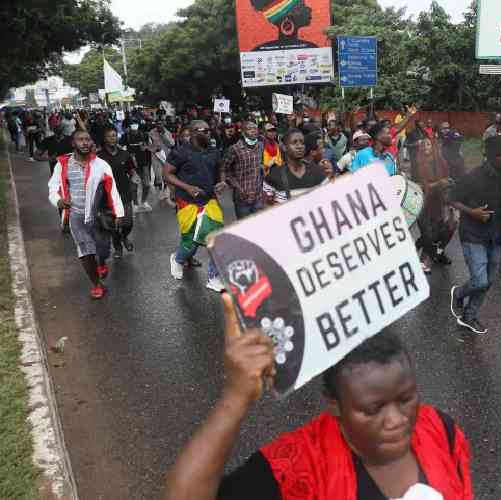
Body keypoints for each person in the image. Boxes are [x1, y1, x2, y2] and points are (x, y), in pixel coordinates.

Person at [163, 293, 473, 500]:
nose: (396, 420)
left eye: (405, 399)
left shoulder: (440, 430)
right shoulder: (299, 466)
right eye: (371, 409)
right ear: (334, 404)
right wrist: (235, 398)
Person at [449, 135, 501, 335]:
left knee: (488, 281)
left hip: (495, 235)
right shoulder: (472, 177)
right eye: (499, 155)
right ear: (487, 155)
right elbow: (452, 199)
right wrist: (472, 212)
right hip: (472, 234)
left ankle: (468, 315)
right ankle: (460, 297)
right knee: (480, 281)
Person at [48, 130, 125, 299]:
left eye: (87, 140)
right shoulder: (63, 164)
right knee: (85, 251)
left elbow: (112, 189)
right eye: (80, 140)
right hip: (76, 216)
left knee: (103, 250)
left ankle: (102, 262)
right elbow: (53, 187)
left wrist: (119, 213)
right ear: (73, 144)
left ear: (91, 143)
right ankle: (97, 284)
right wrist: (59, 201)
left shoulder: (101, 164)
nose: (84, 143)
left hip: (98, 216)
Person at [165, 120, 227, 292]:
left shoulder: (214, 151)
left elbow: (221, 167)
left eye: (209, 131)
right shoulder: (180, 152)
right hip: (187, 203)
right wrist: (187, 188)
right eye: (204, 131)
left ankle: (213, 277)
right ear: (192, 132)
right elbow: (167, 174)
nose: (208, 134)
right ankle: (177, 259)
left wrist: (222, 181)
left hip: (210, 201)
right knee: (191, 243)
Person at [413, 137, 454, 273]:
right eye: (423, 145)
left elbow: (447, 180)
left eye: (428, 144)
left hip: (439, 201)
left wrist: (447, 187)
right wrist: (437, 184)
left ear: (433, 146)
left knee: (446, 228)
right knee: (428, 235)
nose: (426, 147)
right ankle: (420, 261)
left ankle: (439, 252)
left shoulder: (441, 162)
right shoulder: (416, 163)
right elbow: (416, 185)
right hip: (422, 202)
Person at [263, 129, 333, 204]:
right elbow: (267, 206)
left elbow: (327, 199)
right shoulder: (273, 176)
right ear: (284, 147)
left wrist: (330, 177)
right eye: (294, 142)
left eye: (302, 143)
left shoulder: (317, 171)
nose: (299, 146)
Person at [97, 128, 136, 258]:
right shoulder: (99, 157)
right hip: (108, 196)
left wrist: (132, 183)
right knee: (113, 224)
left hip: (124, 193)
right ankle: (117, 247)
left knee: (128, 222)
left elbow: (131, 171)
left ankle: (125, 237)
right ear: (105, 139)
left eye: (114, 136)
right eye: (109, 136)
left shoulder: (125, 154)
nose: (112, 138)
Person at [223, 121, 265, 220]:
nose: (254, 131)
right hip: (242, 198)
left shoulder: (260, 146)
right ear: (243, 132)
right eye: (250, 129)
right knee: (244, 227)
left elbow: (261, 164)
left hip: (258, 195)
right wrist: (238, 188)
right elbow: (225, 169)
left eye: (255, 128)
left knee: (259, 225)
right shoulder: (234, 149)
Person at [122, 120, 153, 212]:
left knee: (147, 184)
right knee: (133, 185)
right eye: (132, 125)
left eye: (135, 125)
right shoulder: (125, 136)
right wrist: (127, 154)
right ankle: (135, 204)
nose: (134, 127)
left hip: (144, 163)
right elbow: (119, 146)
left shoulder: (144, 135)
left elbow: (150, 146)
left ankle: (144, 201)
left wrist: (146, 147)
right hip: (132, 164)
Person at [149, 121, 176, 203]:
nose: (159, 126)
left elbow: (171, 144)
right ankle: (160, 189)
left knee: (166, 175)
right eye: (158, 124)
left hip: (166, 157)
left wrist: (163, 135)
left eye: (161, 124)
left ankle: (165, 190)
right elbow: (149, 144)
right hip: (156, 156)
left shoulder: (167, 132)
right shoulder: (151, 133)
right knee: (158, 174)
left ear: (163, 125)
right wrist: (154, 149)